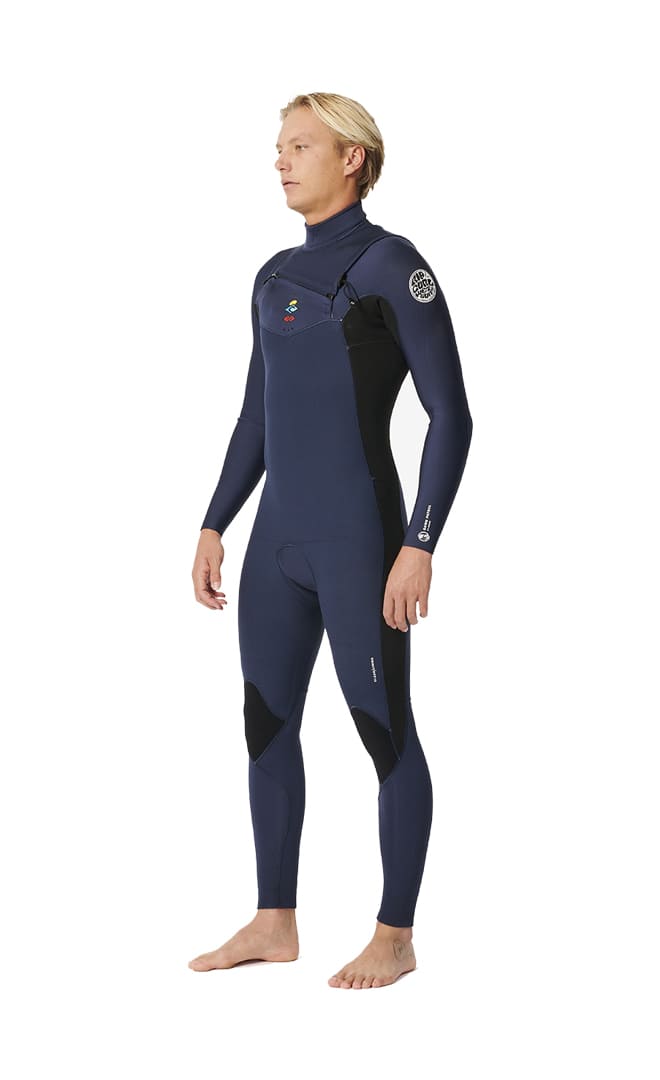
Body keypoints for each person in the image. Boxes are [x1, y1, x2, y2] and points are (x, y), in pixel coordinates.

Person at [189, 92, 473, 989]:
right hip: (276, 544)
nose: (280, 159)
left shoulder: (393, 266)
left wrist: (419, 543)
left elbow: (452, 415)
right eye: (279, 145)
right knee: (265, 723)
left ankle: (396, 935)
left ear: (353, 158)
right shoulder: (272, 276)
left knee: (384, 731)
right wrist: (214, 520)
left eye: (301, 145)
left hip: (360, 539)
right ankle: (274, 921)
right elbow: (255, 418)